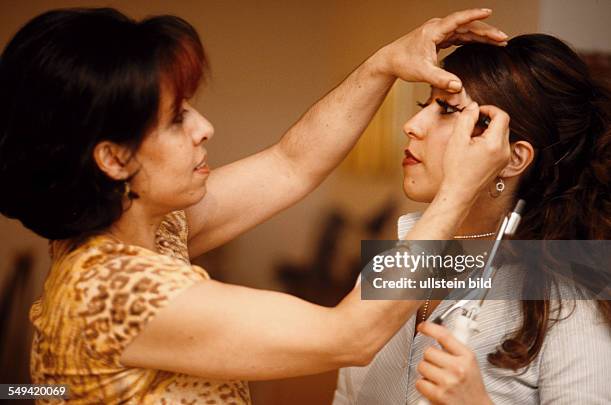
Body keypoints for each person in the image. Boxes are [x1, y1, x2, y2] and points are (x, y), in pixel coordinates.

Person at [0, 7, 511, 404]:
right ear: (113, 159)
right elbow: (349, 336)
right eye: (177, 118)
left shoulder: (146, 233)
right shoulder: (114, 291)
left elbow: (293, 163)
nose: (204, 128)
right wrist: (458, 191)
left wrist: (384, 63)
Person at [334, 34, 611, 405]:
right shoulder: (388, 265)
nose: (412, 124)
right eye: (424, 104)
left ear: (513, 158)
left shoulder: (566, 303)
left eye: (447, 110)